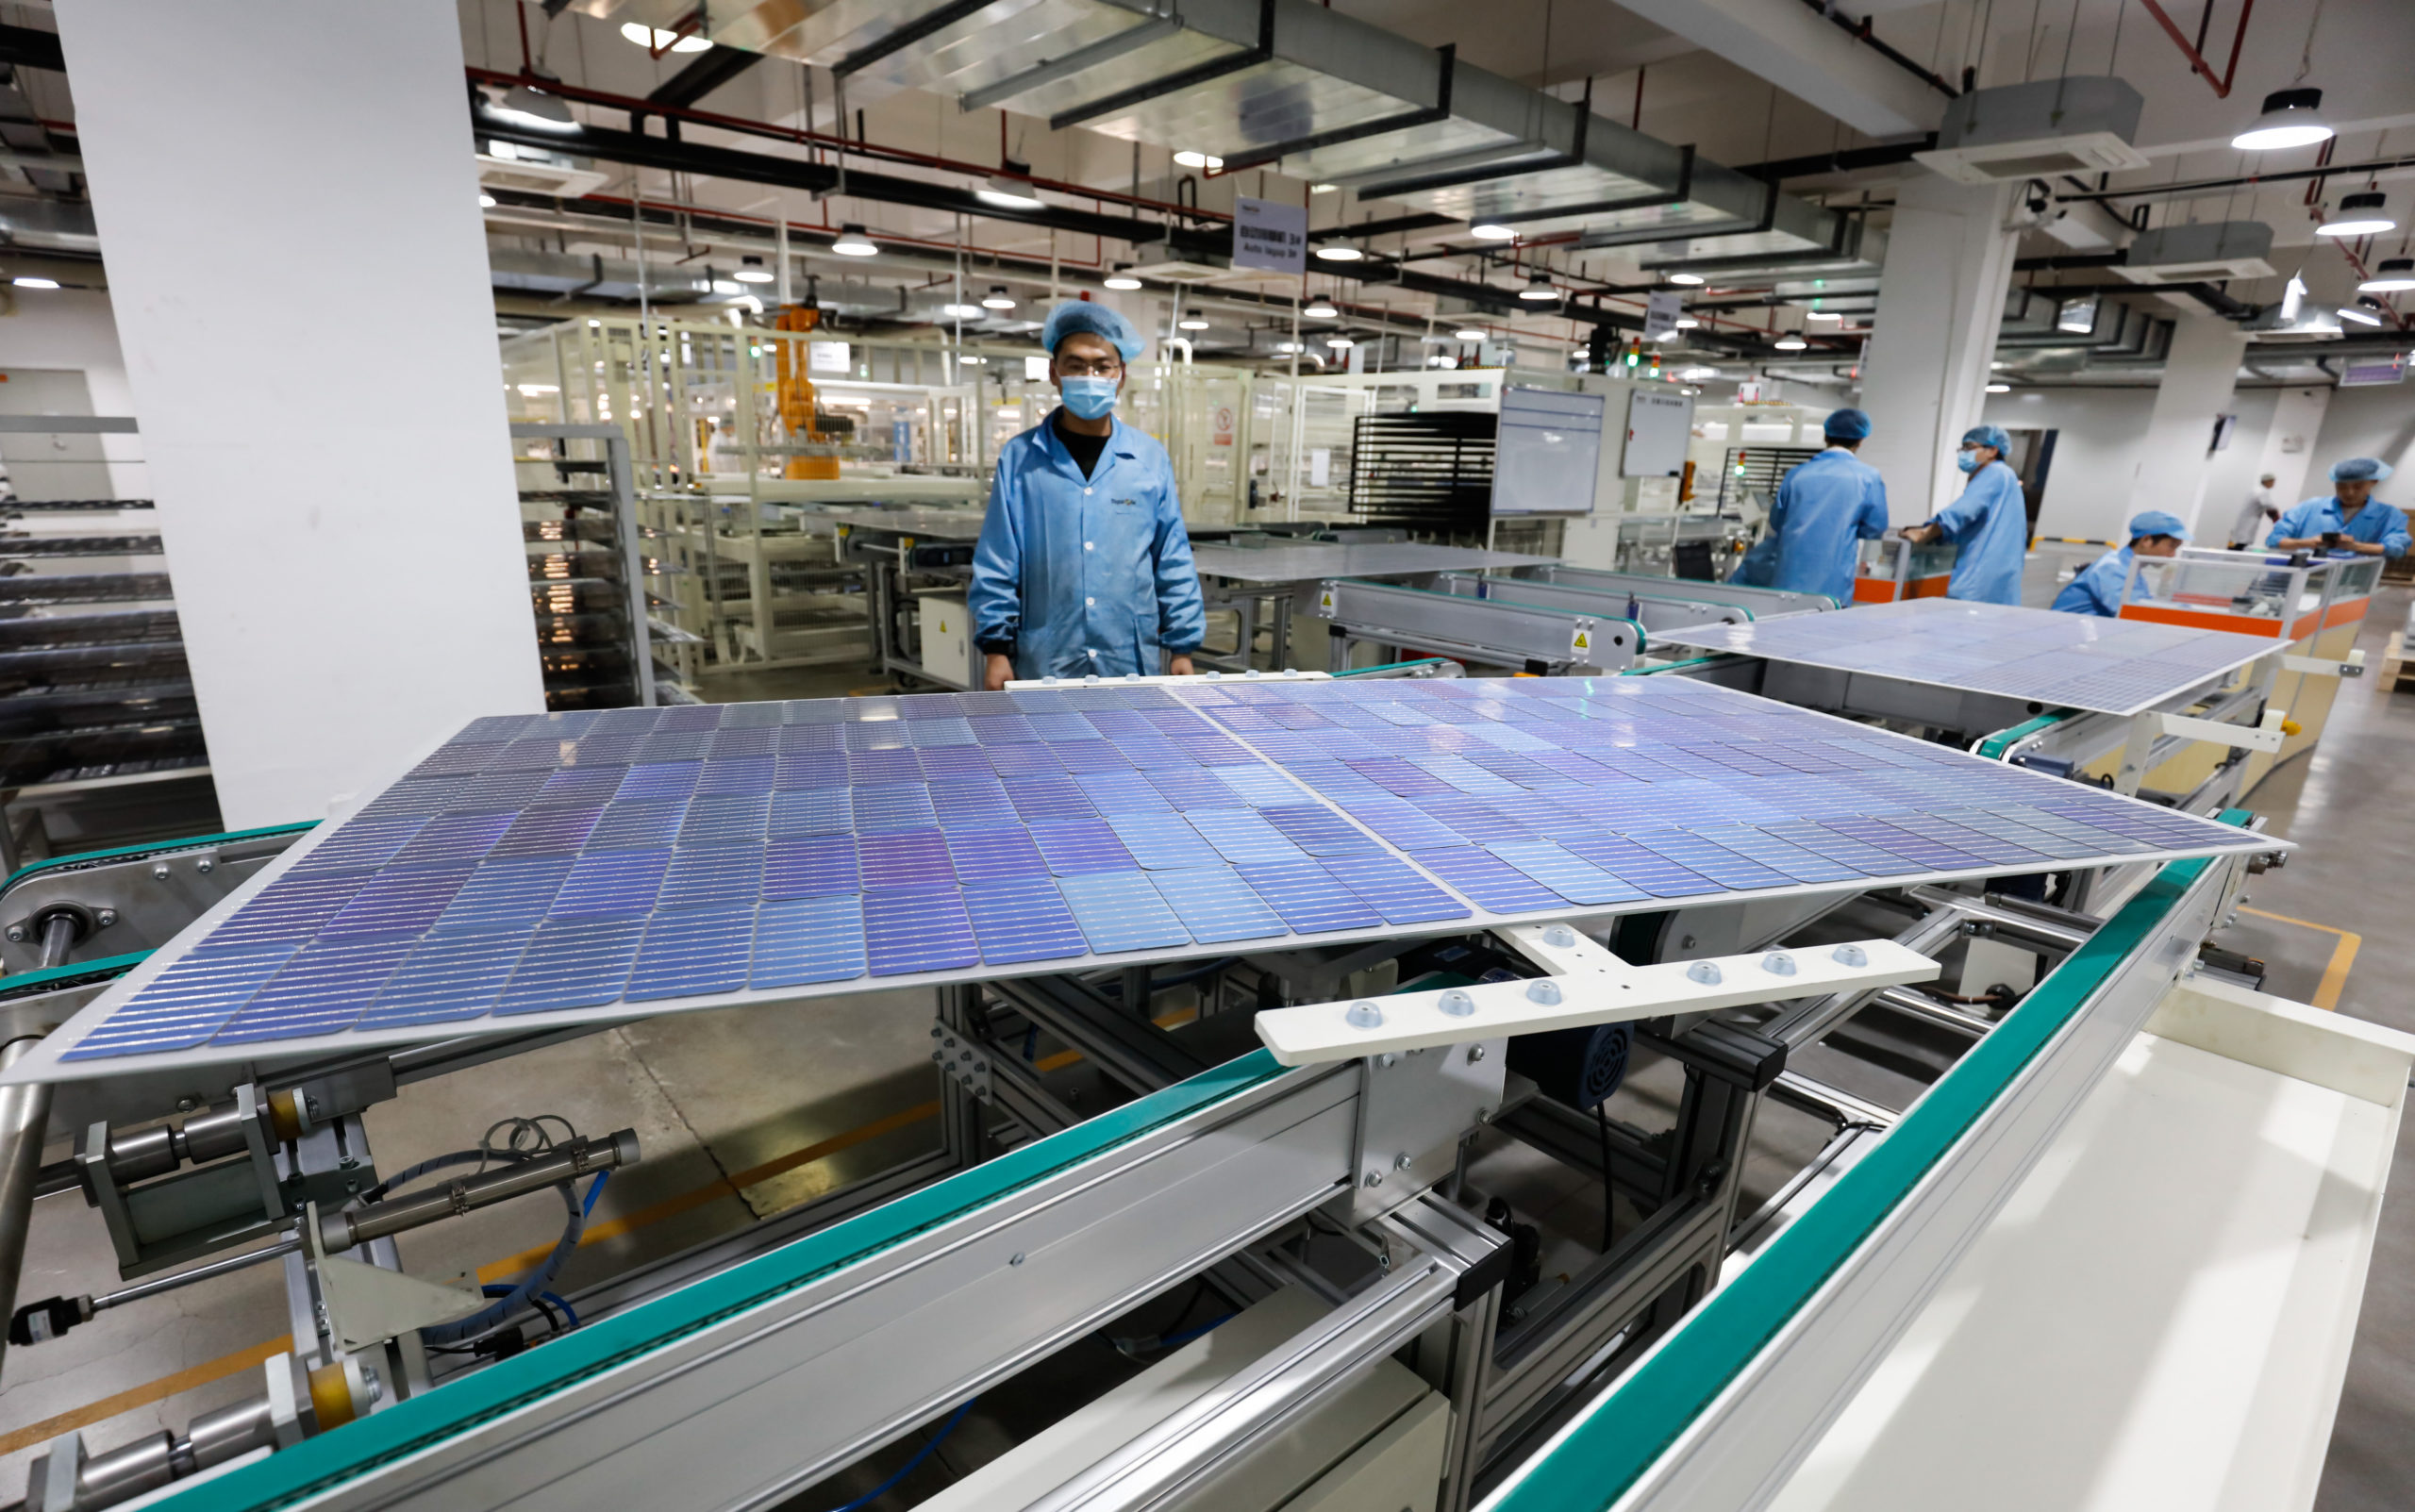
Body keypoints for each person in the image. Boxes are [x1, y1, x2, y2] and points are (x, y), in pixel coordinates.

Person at [971, 301, 1205, 690]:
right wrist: (996, 648)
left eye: (1102, 365)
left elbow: (1172, 558)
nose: (1090, 375)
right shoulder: (1020, 458)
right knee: (1045, 748)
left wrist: (1182, 648)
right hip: (1046, 656)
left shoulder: (1147, 459)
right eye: (1076, 365)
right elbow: (999, 558)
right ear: (1054, 373)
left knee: (1131, 747)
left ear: (1121, 374)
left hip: (1127, 656)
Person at [1731, 407, 1889, 605]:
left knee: (1779, 628)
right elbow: (1875, 528)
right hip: (1832, 584)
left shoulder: (1797, 474)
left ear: (1825, 436)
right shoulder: (1868, 477)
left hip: (1787, 579)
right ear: (1860, 441)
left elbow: (1777, 521)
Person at [1899, 424, 2028, 605]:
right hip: (1998, 576)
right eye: (1962, 448)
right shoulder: (2006, 477)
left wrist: (1924, 532)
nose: (1963, 453)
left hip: (1979, 579)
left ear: (1992, 450)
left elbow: (1963, 511)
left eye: (1969, 447)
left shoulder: (1995, 473)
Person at [2051, 509, 2189, 617]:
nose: (2172, 555)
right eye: (2172, 546)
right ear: (2146, 540)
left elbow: (2144, 603)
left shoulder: (2132, 567)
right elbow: (2134, 612)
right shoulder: (2112, 568)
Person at [2266, 457, 2409, 559]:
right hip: (2299, 577)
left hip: (2351, 585)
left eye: (2358, 487)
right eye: (2341, 486)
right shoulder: (2309, 507)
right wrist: (2309, 543)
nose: (2349, 492)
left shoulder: (2389, 515)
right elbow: (2274, 540)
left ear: (2373, 482)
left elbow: (2396, 549)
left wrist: (2355, 547)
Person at [2227, 474, 2279, 550]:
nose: (2273, 484)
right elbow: (2270, 506)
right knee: (2241, 543)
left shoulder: (2256, 490)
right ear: (2267, 481)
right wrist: (2278, 520)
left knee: (2239, 541)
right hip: (2249, 522)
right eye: (2272, 482)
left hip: (2245, 521)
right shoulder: (2262, 492)